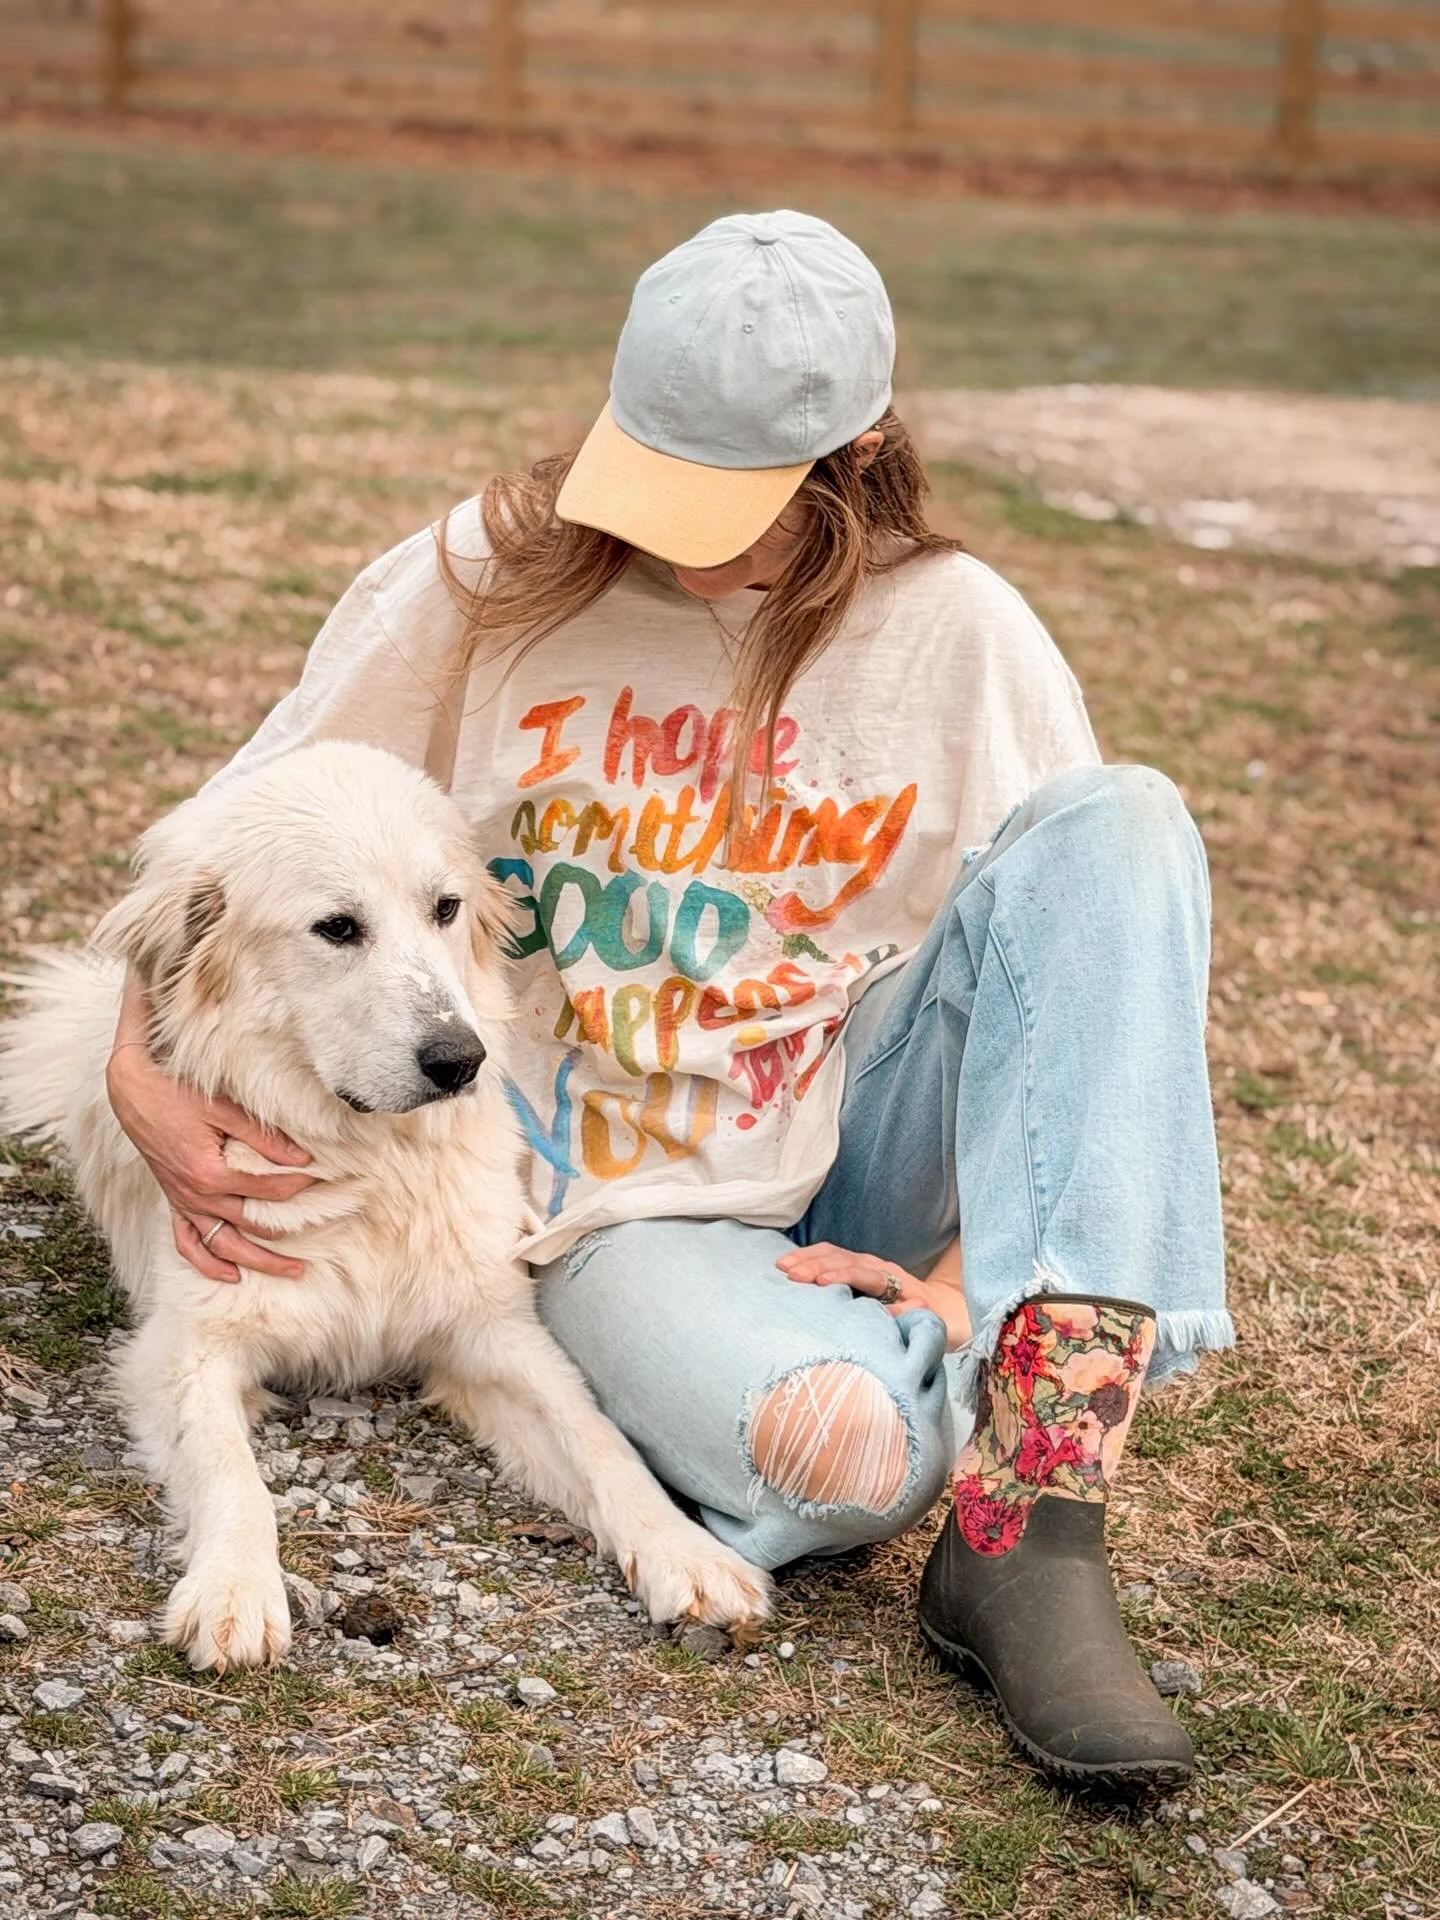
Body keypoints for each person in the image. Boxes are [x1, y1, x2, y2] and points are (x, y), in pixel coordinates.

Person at [106, 211, 1232, 1790]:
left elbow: (1085, 986)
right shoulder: (476, 585)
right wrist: (135, 1075)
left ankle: (1033, 1517)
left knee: (1124, 824)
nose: (682, 539)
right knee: (838, 1464)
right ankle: (870, 1403)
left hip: (867, 1125)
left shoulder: (958, 631)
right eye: (654, 477)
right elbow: (218, 849)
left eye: (733, 501)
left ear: (858, 454)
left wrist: (975, 1278)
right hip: (625, 1203)